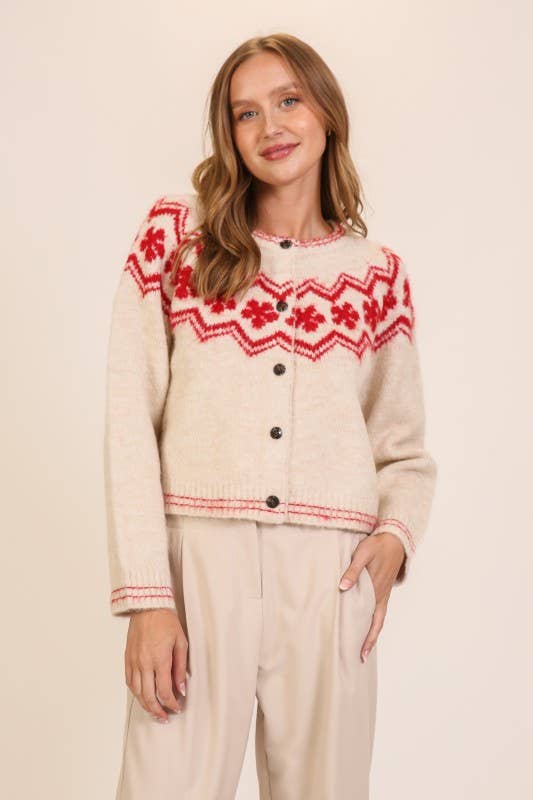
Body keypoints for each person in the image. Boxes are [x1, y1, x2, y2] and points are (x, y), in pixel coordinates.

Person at [103, 32, 438, 800]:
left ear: (326, 112)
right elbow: (129, 421)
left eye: (288, 100)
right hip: (197, 562)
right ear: (228, 133)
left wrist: (393, 538)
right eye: (245, 112)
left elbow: (403, 447)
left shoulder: (376, 275)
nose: (270, 126)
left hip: (327, 576)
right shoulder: (175, 236)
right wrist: (149, 597)